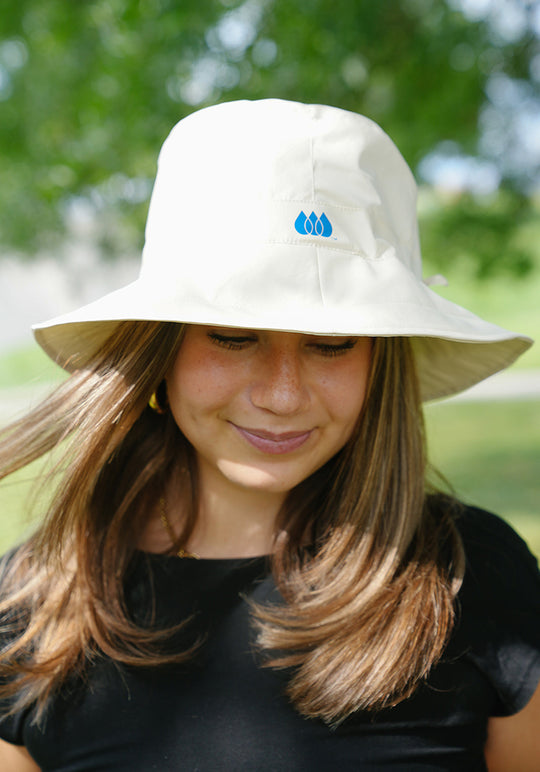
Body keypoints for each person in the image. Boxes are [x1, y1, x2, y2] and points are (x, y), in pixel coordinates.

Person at [0, 99, 538, 772]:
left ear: (382, 363)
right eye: (232, 336)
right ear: (157, 349)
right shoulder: (34, 607)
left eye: (332, 343)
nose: (282, 394)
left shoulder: (467, 573)